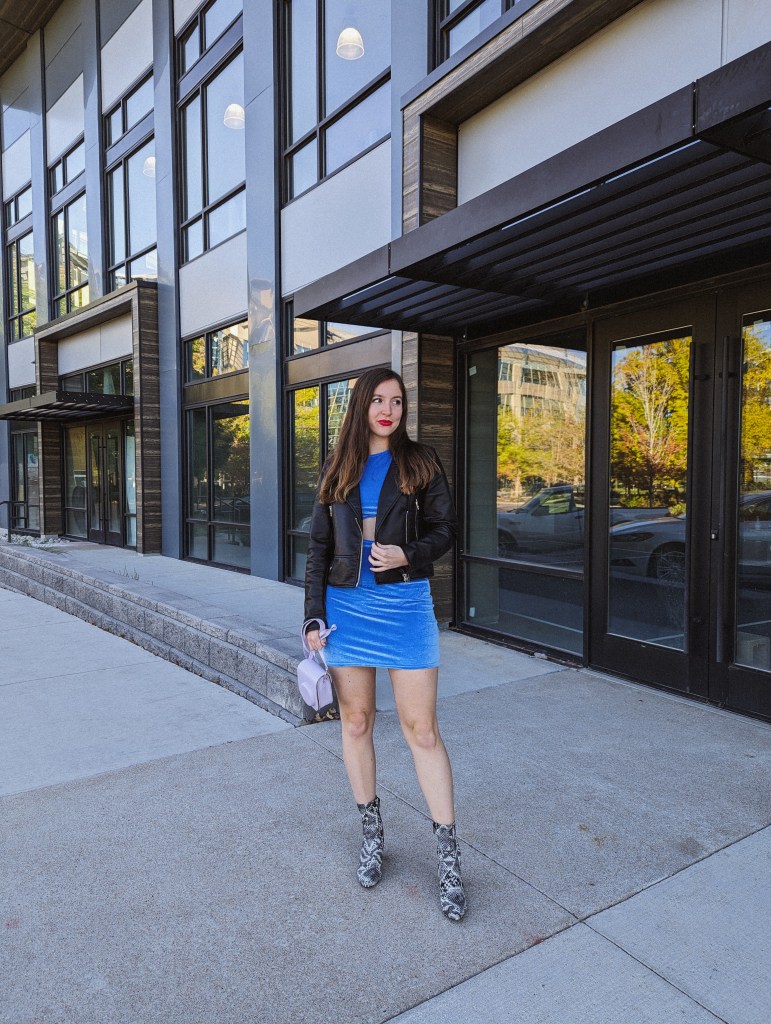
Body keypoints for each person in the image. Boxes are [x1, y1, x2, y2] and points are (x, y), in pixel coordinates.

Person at [304, 368, 466, 921]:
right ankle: (372, 837)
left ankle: (449, 861)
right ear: (361, 406)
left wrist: (407, 554)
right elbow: (318, 550)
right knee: (356, 723)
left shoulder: (421, 461)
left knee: (423, 731)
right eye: (378, 400)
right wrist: (313, 616)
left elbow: (446, 530)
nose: (388, 410)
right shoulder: (338, 466)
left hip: (405, 607)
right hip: (347, 610)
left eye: (397, 401)